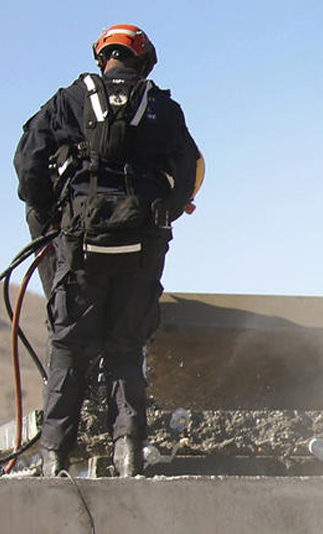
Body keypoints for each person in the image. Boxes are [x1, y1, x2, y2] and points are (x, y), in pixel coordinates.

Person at [14, 23, 200, 478]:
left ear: (104, 57)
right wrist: (163, 216)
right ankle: (129, 450)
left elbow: (27, 163)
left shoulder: (68, 100)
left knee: (69, 346)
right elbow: (192, 169)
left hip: (78, 246)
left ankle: (55, 455)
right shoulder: (163, 107)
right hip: (141, 245)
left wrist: (51, 216)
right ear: (143, 60)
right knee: (126, 346)